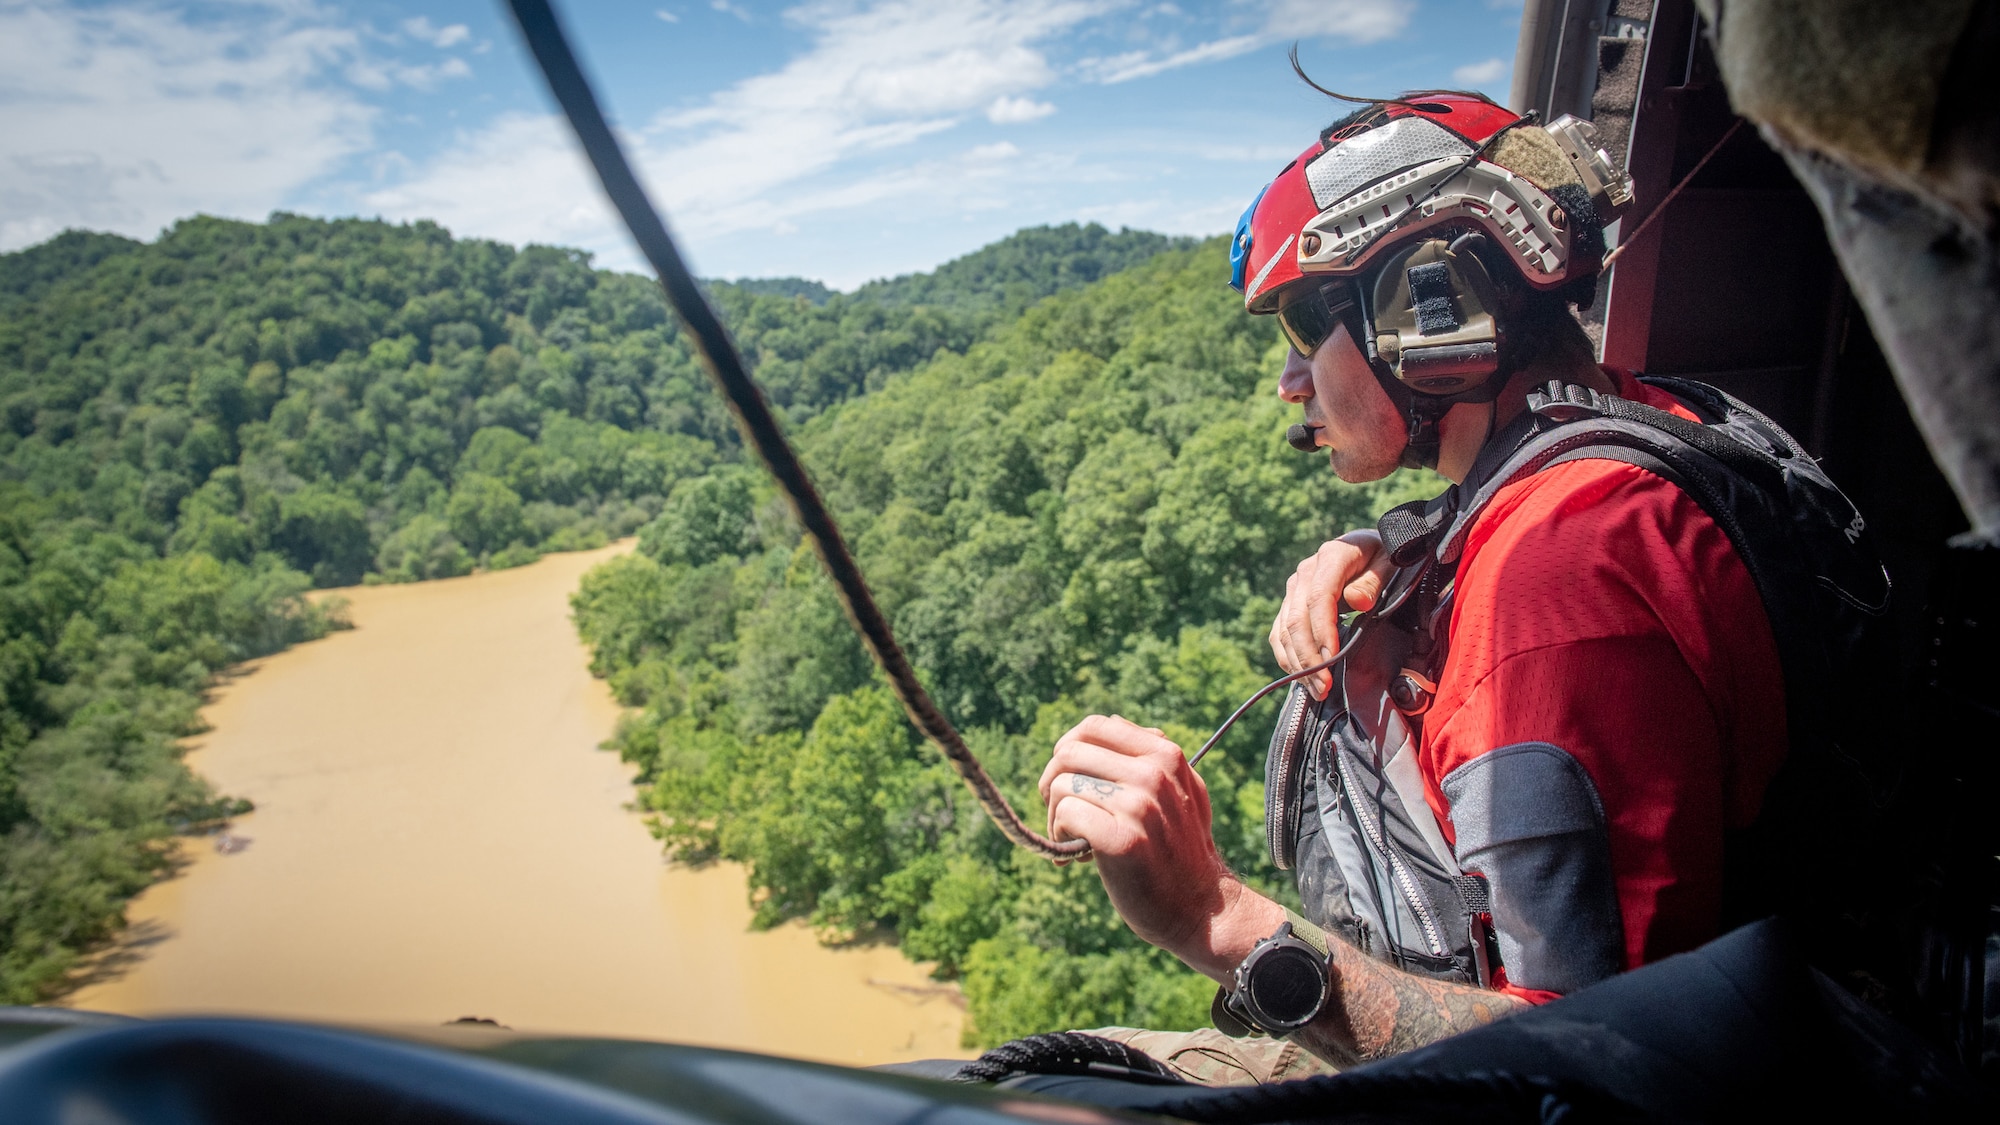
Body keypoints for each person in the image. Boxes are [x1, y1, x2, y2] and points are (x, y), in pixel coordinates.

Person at [1036, 91, 1794, 1075]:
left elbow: (1589, 1069)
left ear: (1429, 301)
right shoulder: (1657, 430)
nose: (1289, 382)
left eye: (1307, 322)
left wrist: (1211, 916)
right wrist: (1399, 542)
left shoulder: (1558, 582)